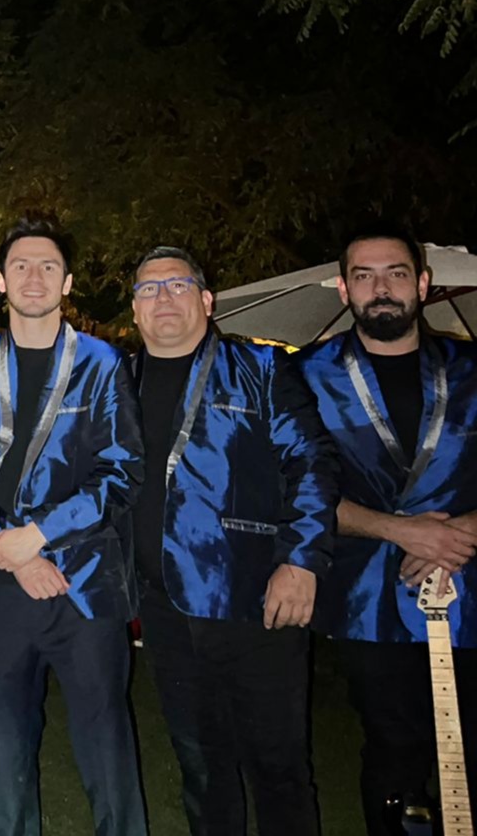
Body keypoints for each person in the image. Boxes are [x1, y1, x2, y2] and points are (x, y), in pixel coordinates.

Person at [0, 216, 147, 836]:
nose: (34, 276)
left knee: (106, 741)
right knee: (4, 739)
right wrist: (18, 553)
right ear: (0, 280)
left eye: (48, 266)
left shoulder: (103, 363)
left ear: (67, 281)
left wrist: (41, 537)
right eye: (21, 265)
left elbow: (122, 469)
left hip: (84, 581)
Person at [129, 245, 336, 836]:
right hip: (162, 609)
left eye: (177, 285)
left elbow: (312, 463)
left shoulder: (261, 368)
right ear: (135, 310)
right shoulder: (117, 380)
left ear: (206, 299)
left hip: (255, 603)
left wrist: (302, 561)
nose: (164, 298)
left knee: (278, 768)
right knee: (201, 767)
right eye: (149, 289)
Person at [295, 224, 477, 836]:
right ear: (343, 288)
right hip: (366, 595)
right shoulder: (304, 376)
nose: (381, 288)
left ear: (422, 284)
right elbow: (293, 489)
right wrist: (401, 531)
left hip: (471, 584)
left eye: (396, 273)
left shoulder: (472, 368)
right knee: (394, 749)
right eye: (364, 276)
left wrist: (463, 532)